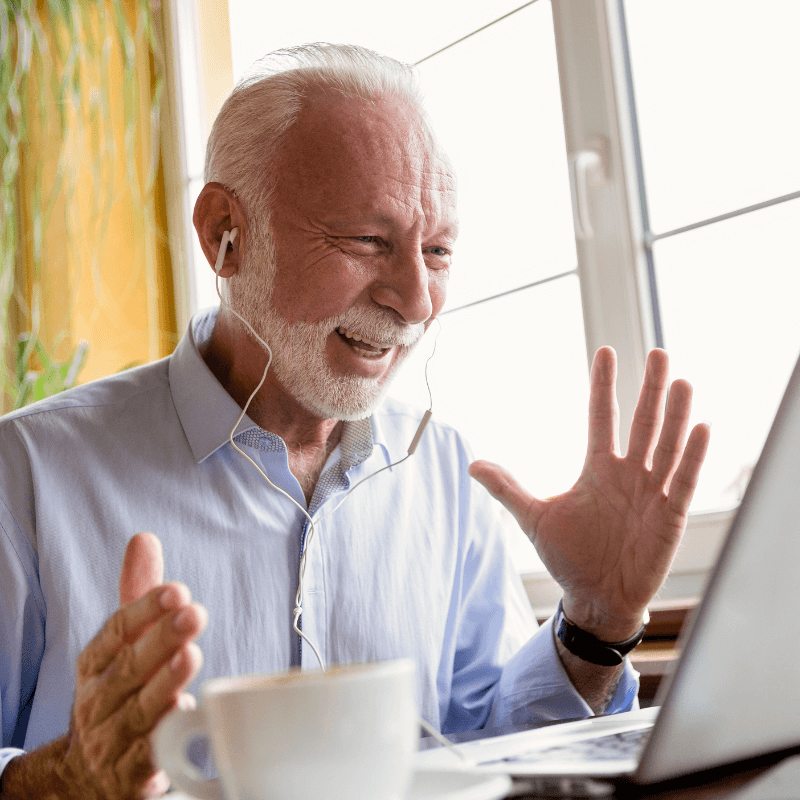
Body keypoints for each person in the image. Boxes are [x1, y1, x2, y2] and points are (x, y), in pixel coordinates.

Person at [0, 44, 709, 799]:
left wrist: (595, 629)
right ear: (223, 234)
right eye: (367, 241)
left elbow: (484, 759)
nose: (416, 300)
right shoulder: (29, 474)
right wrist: (67, 778)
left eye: (436, 251)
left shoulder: (446, 471)